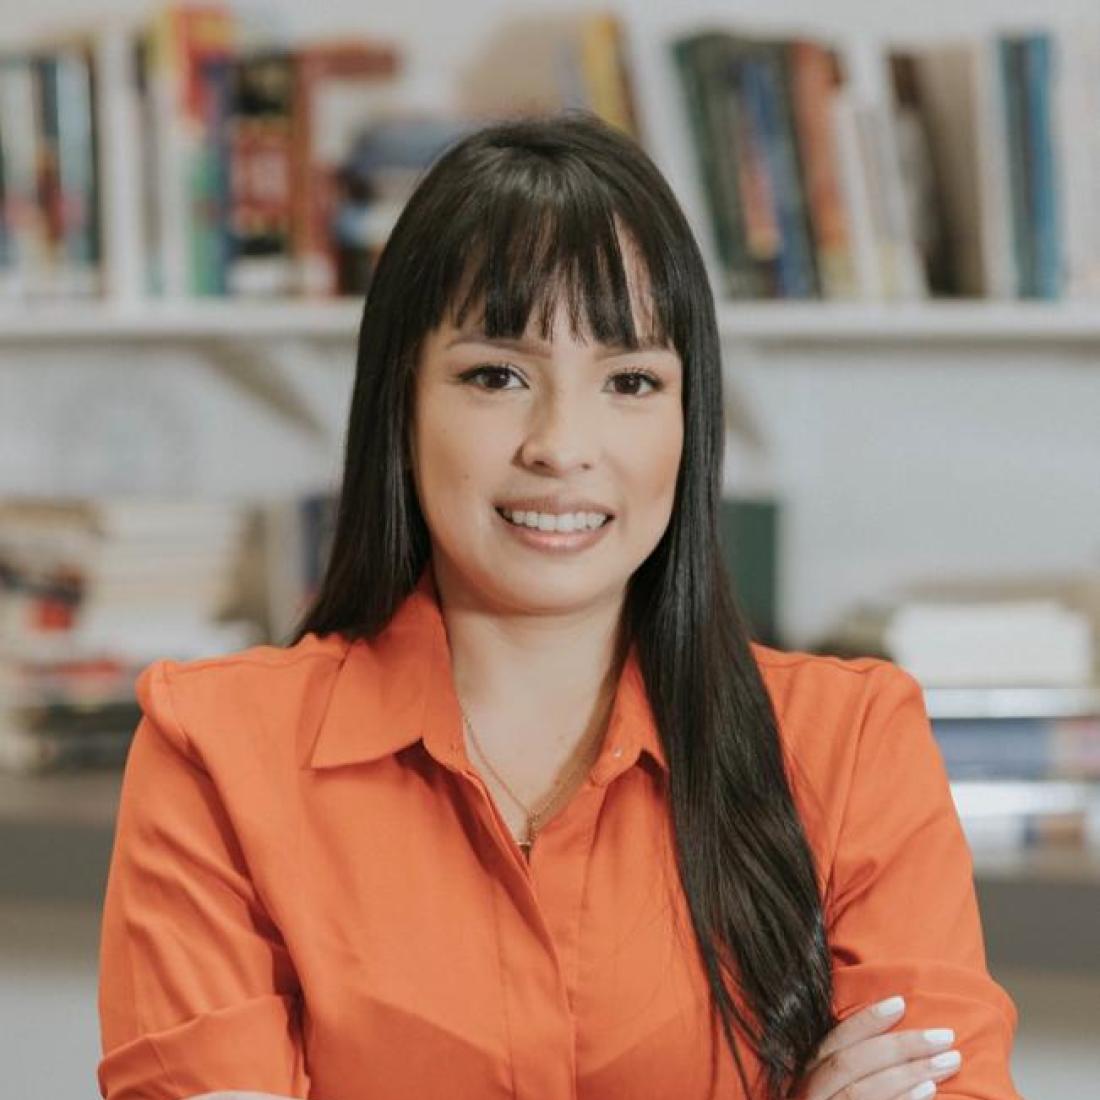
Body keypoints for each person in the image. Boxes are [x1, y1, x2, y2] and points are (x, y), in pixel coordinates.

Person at [96, 110, 1021, 1100]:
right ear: (399, 403)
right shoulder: (216, 750)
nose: (561, 443)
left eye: (629, 379)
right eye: (495, 375)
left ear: (685, 418)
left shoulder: (850, 744)